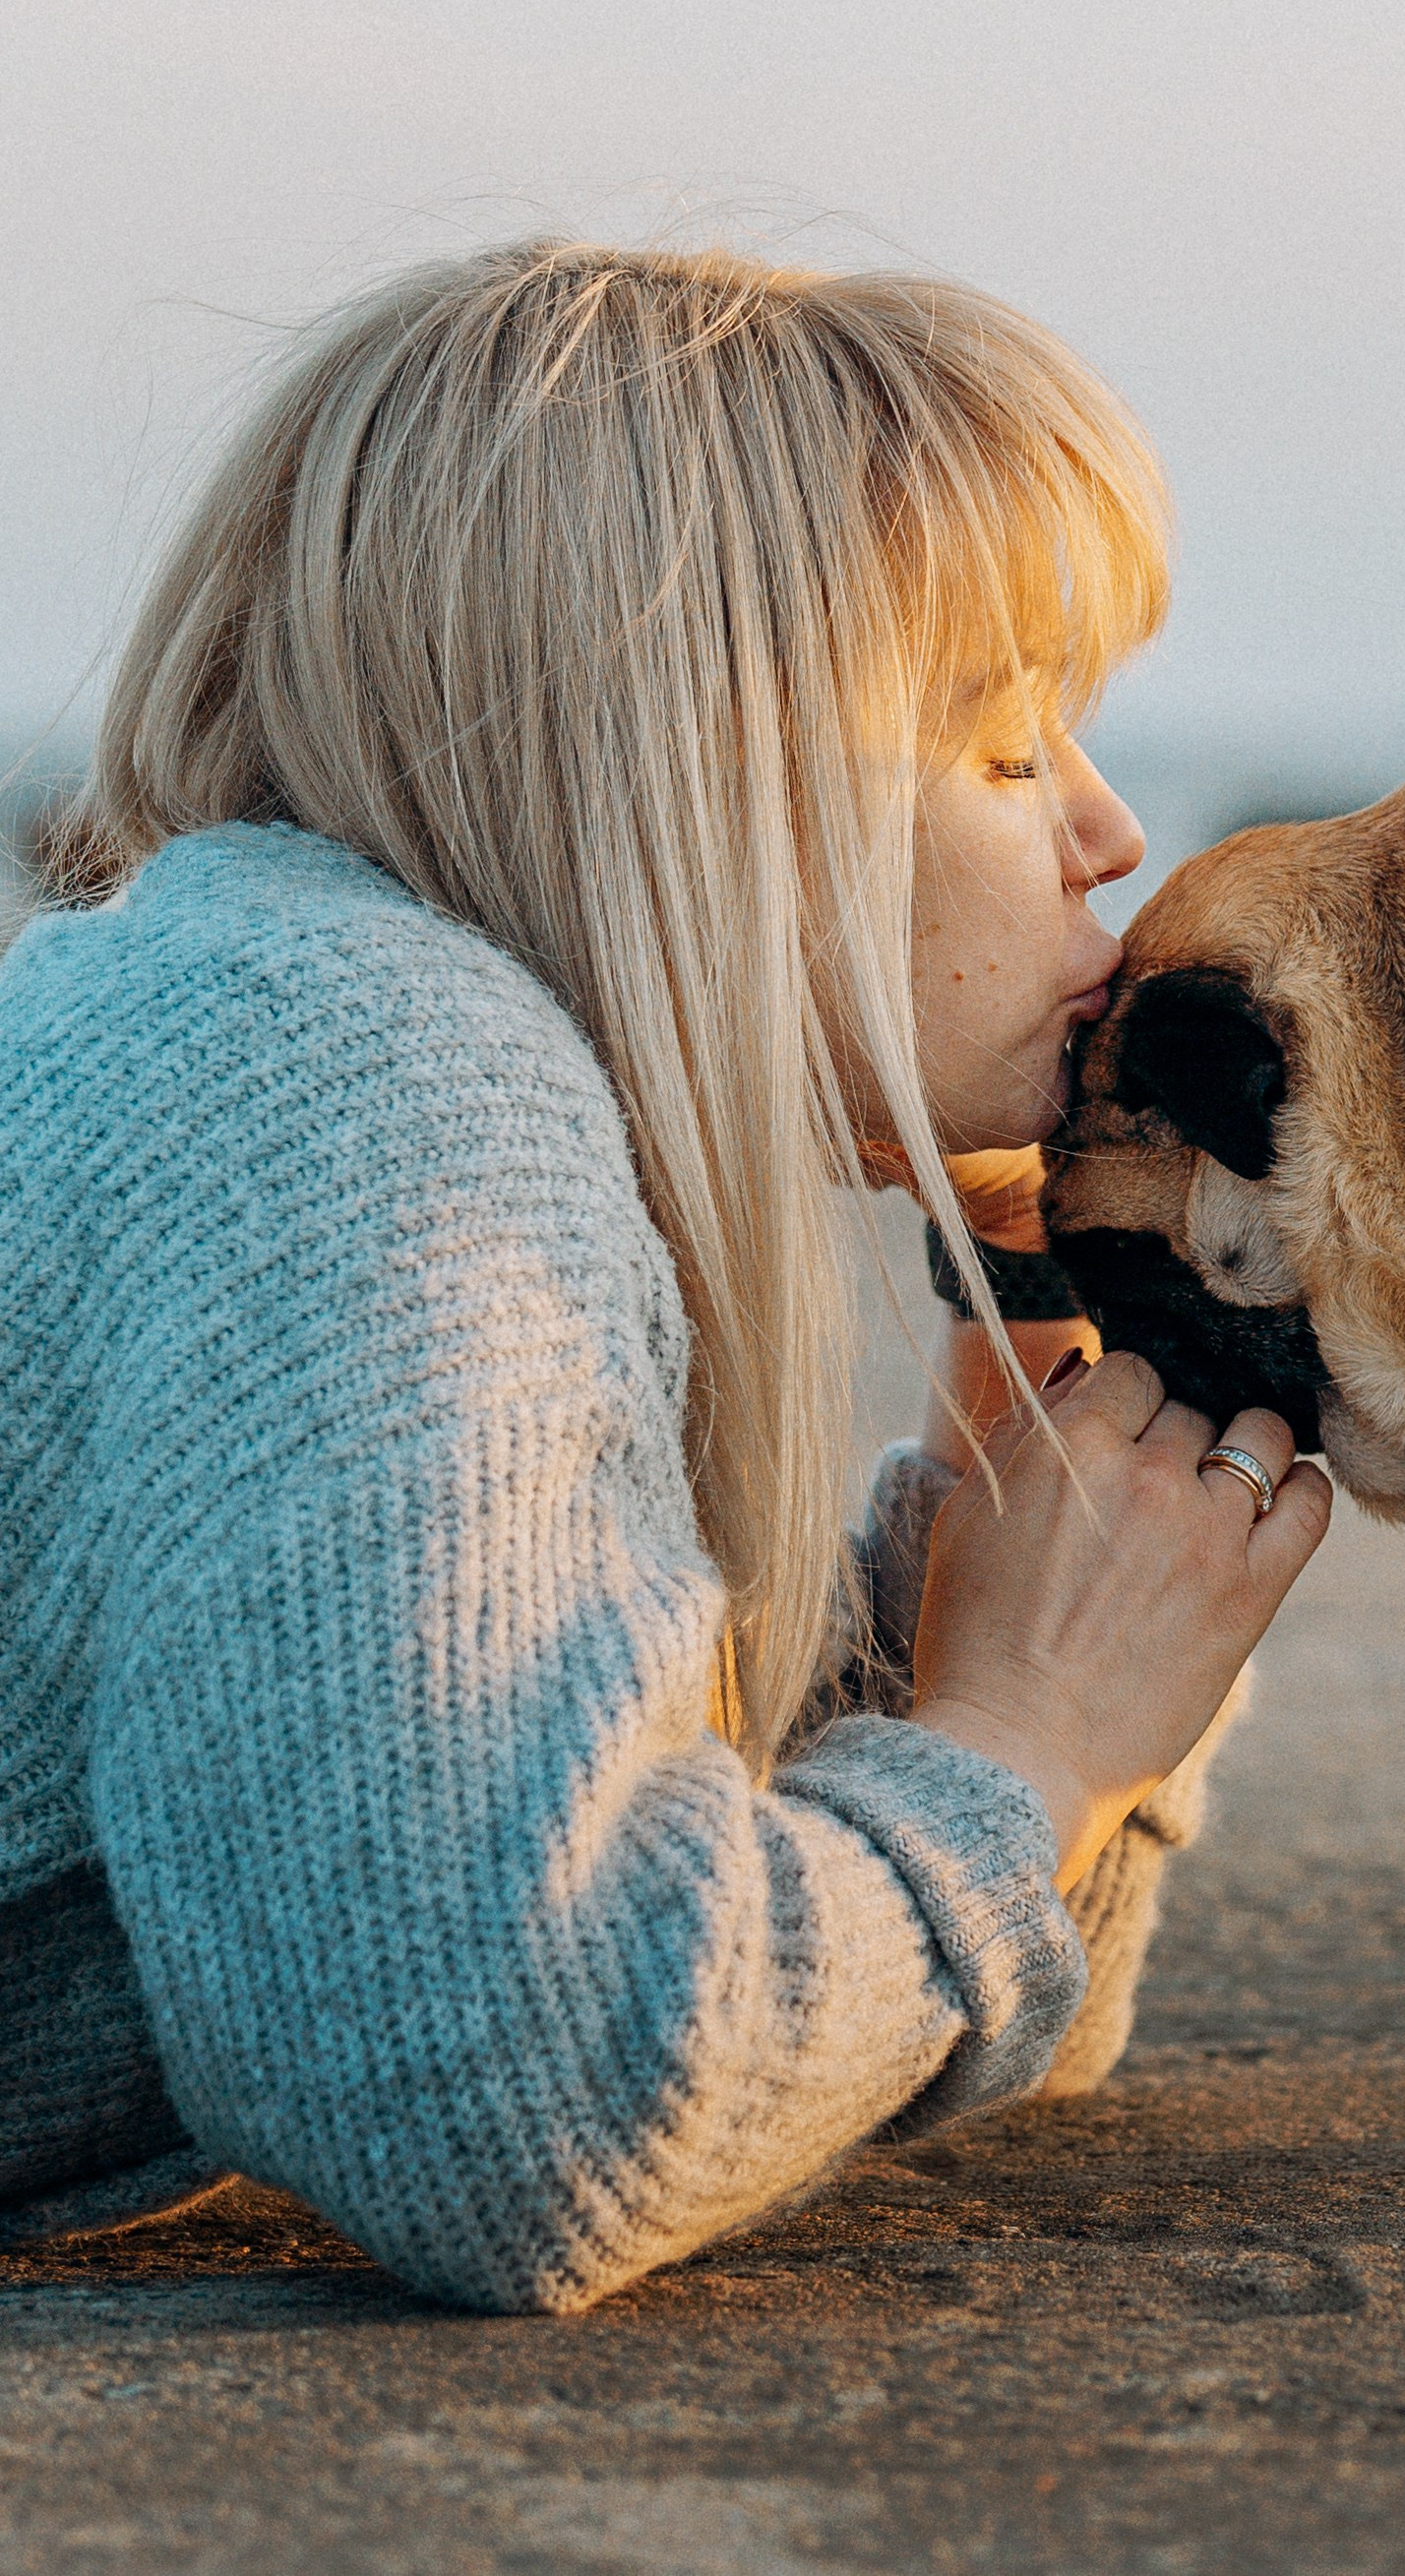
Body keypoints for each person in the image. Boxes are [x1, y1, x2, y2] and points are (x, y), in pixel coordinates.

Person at [0, 242, 1329, 2311]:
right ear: (698, 768)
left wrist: (1051, 1492)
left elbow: (974, 2021)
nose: (1102, 826)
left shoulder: (402, 1068)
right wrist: (1021, 1742)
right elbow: (507, 2098)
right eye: (995, 748)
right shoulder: (345, 1072)